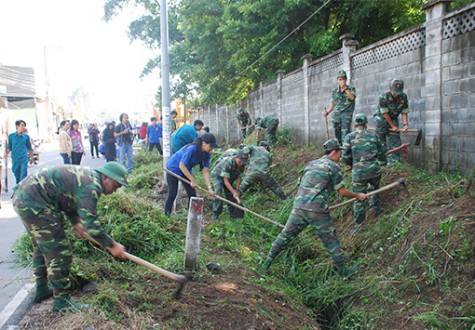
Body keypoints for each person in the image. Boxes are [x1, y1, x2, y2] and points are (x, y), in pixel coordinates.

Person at [12, 162, 128, 312]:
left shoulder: (88, 177)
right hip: (35, 203)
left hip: (26, 198)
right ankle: (62, 302)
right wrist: (112, 245)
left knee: (43, 246)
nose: (115, 190)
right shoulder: (92, 186)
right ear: (106, 177)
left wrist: (76, 221)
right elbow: (91, 226)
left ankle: (41, 288)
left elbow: (67, 198)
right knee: (60, 250)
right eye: (116, 185)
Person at [262, 139, 367, 276]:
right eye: (340, 153)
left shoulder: (311, 164)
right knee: (331, 240)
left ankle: (266, 264)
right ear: (334, 152)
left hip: (299, 206)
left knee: (285, 236)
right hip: (316, 210)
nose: (340, 156)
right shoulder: (333, 167)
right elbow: (342, 192)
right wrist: (357, 195)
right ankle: (343, 271)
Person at [342, 114, 387, 233]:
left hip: (359, 173)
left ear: (355, 124)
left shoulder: (349, 137)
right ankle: (378, 216)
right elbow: (382, 152)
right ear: (366, 124)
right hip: (374, 171)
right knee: (374, 191)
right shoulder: (373, 136)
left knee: (358, 198)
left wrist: (350, 165)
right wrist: (382, 163)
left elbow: (345, 156)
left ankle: (359, 226)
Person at [164, 133, 219, 216]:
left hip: (186, 169)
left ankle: (192, 216)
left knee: (192, 193)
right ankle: (167, 216)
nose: (212, 149)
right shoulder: (192, 149)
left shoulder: (206, 153)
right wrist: (192, 180)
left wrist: (209, 188)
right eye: (211, 146)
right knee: (172, 193)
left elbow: (205, 171)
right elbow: (181, 165)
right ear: (204, 143)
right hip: (173, 168)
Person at [374, 79, 410, 164]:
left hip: (393, 119)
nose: (396, 94)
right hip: (381, 119)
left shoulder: (403, 97)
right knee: (380, 141)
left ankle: (394, 163)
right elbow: (385, 114)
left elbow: (404, 112)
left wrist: (405, 125)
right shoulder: (383, 97)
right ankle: (381, 163)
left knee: (395, 141)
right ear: (390, 89)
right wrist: (392, 126)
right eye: (395, 92)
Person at [210, 147, 250, 220]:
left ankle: (233, 214)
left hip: (229, 177)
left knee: (231, 195)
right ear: (236, 157)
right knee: (218, 191)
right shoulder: (228, 162)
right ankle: (216, 212)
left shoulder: (242, 166)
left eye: (243, 162)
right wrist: (233, 191)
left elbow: (239, 178)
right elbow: (226, 181)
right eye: (240, 161)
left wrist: (237, 190)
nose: (241, 163)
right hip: (217, 176)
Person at [324, 70, 357, 144]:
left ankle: (345, 153)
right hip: (336, 116)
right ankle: (339, 152)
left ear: (346, 79)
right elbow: (333, 103)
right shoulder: (335, 91)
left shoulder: (351, 89)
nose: (342, 80)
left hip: (346, 116)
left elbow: (352, 98)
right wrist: (328, 112)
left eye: (343, 79)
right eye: (340, 79)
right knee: (337, 135)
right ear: (337, 80)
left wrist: (345, 89)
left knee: (345, 135)